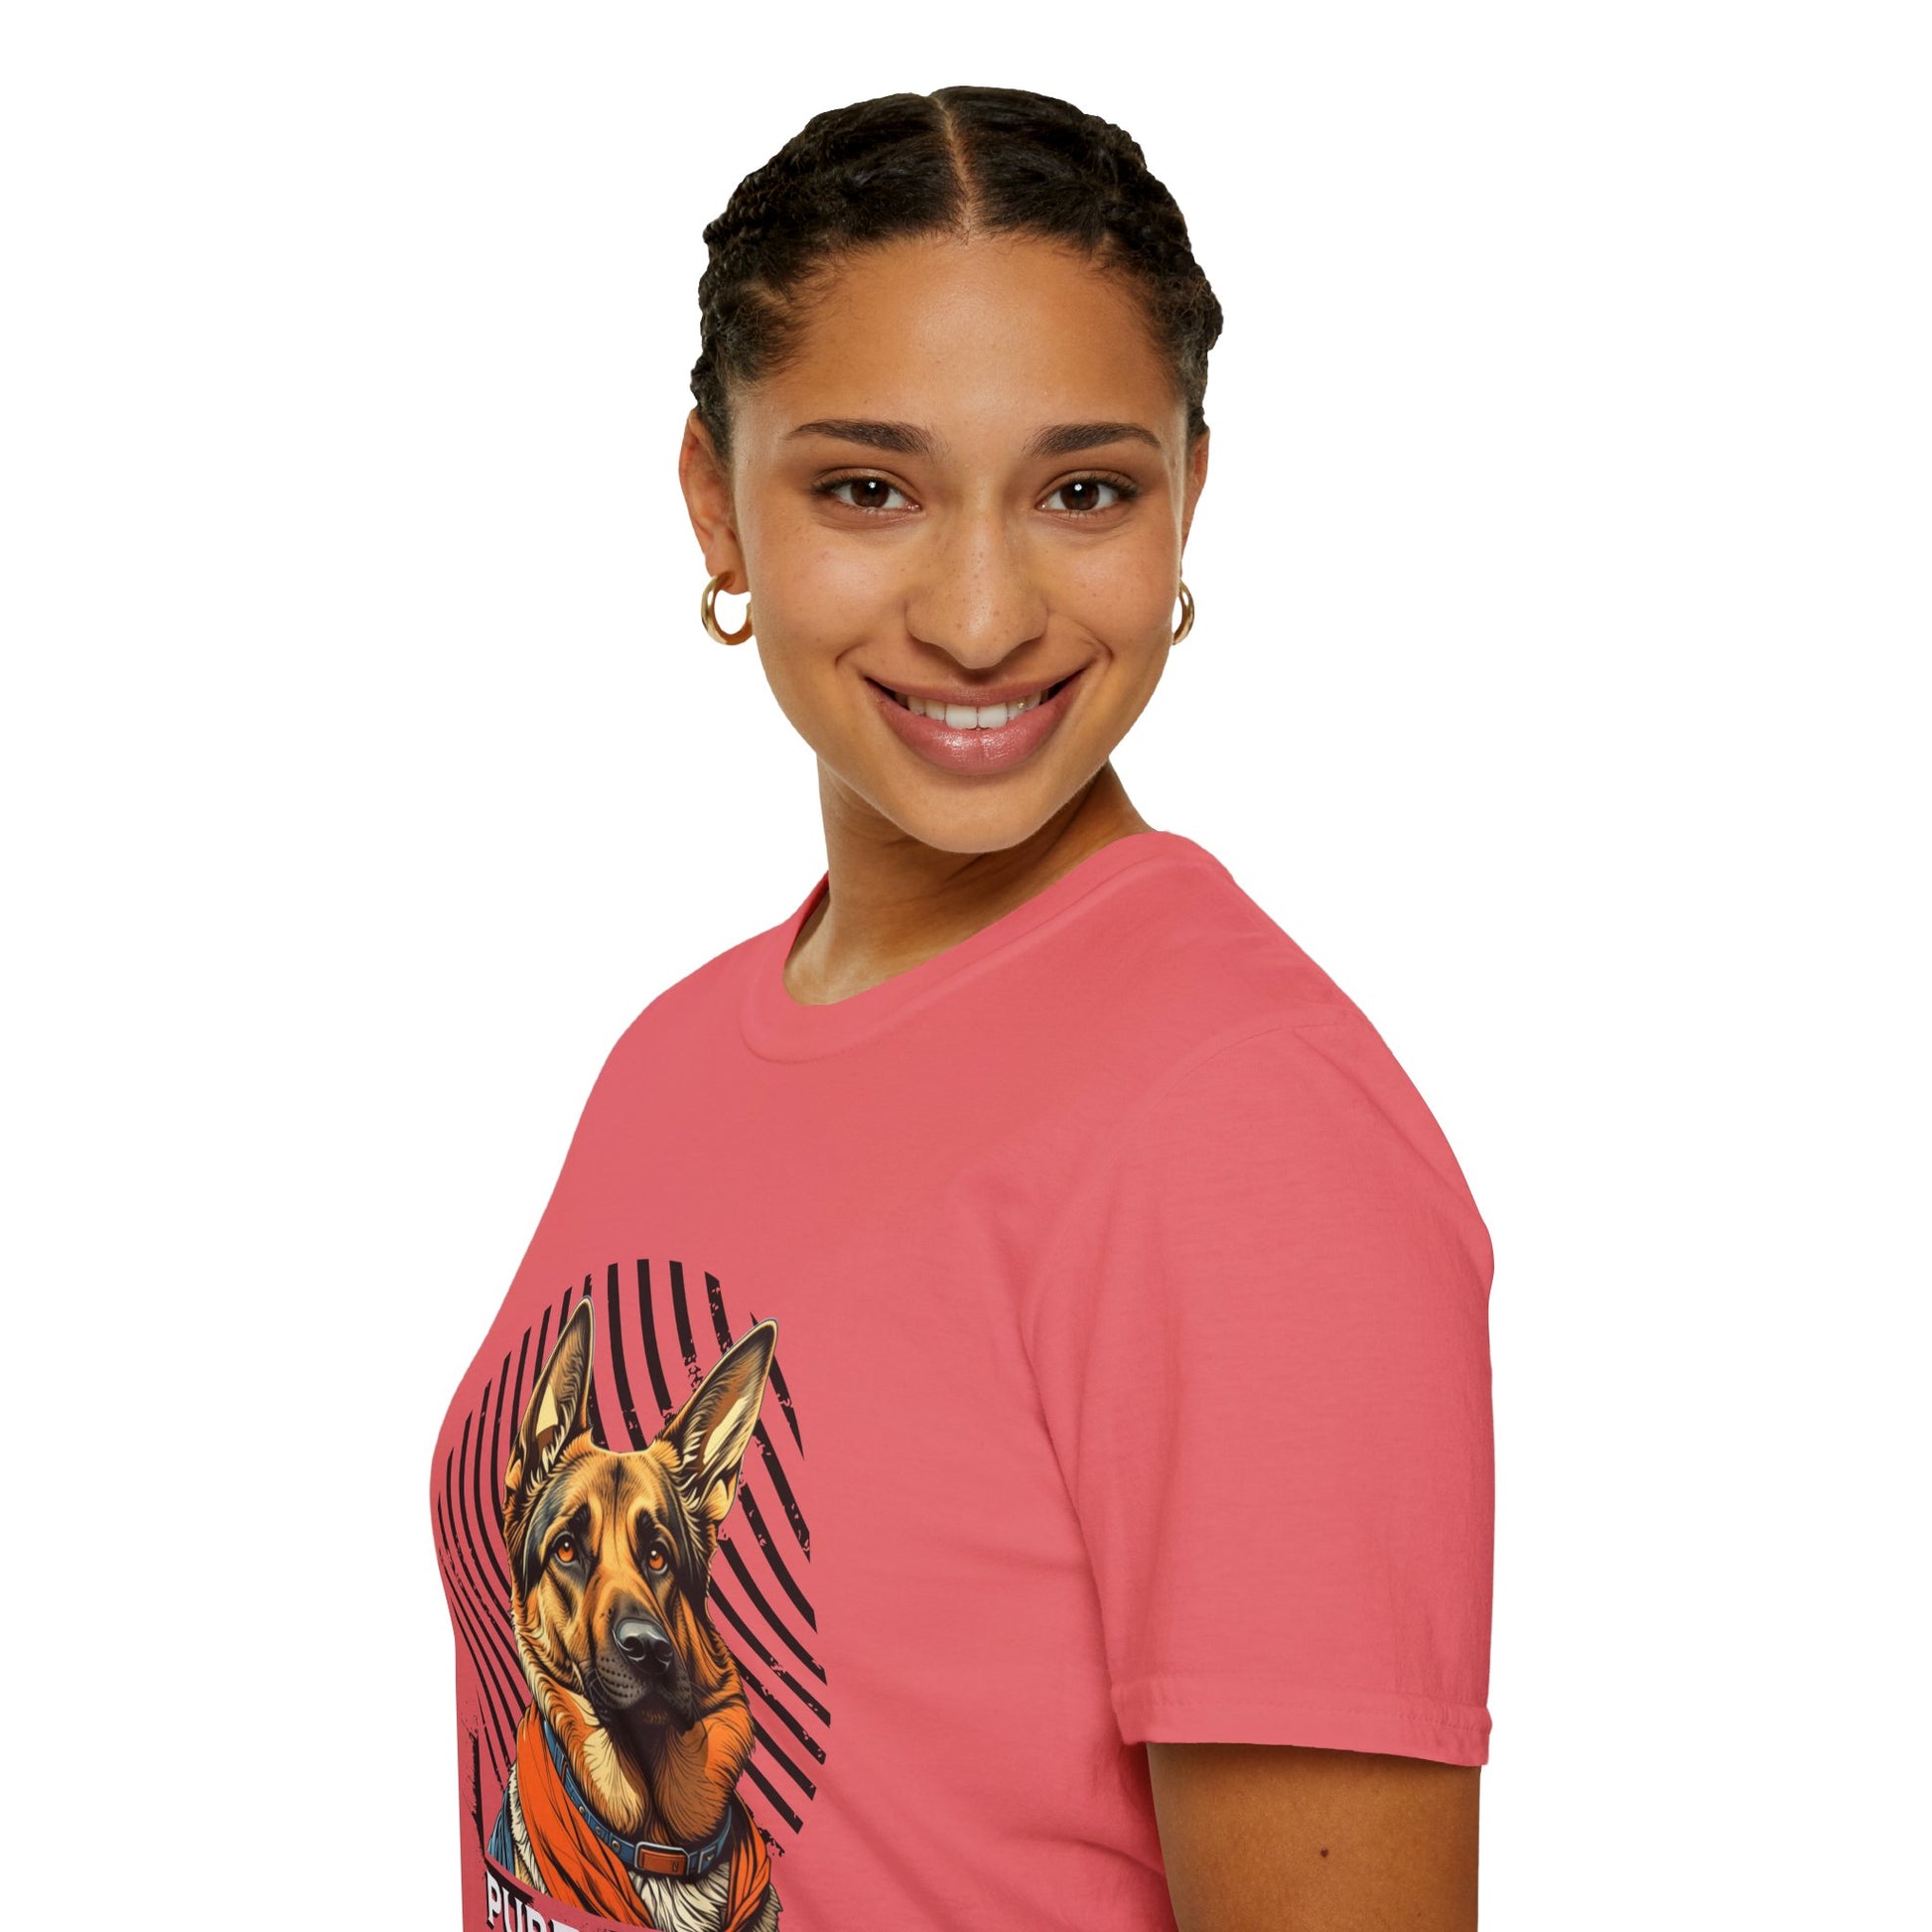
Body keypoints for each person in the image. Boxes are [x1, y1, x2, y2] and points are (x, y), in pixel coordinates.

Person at [430, 85, 1493, 1932]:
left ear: (1188, 498)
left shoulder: (1245, 1130)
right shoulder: (673, 1055)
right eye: (868, 488)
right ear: (715, 501)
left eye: (1084, 491)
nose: (984, 613)